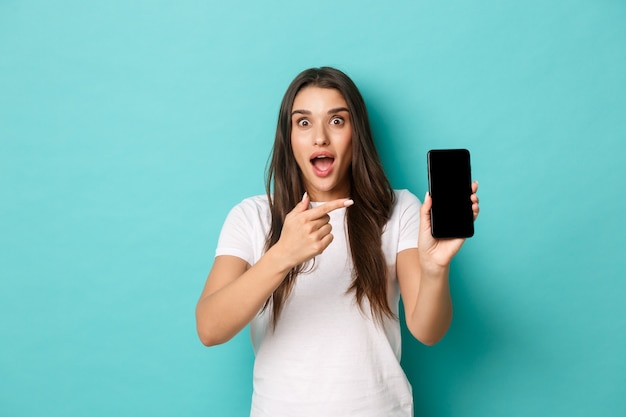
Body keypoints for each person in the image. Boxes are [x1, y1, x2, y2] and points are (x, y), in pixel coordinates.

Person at [195, 67, 480, 417]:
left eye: (336, 121)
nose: (319, 138)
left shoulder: (398, 209)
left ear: (355, 133)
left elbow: (428, 331)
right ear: (288, 139)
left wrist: (435, 268)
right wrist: (282, 255)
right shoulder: (252, 216)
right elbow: (209, 328)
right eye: (303, 123)